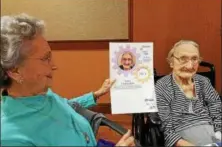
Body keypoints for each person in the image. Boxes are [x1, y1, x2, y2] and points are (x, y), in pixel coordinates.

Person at [0, 13, 135, 146]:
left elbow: (66, 106)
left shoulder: (42, 95)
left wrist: (96, 94)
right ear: (15, 71)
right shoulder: (10, 137)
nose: (53, 66)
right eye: (45, 58)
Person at [155, 40, 221, 146]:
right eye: (183, 59)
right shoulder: (162, 85)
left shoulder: (203, 82)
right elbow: (167, 128)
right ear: (171, 62)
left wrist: (219, 133)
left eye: (194, 59)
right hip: (185, 138)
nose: (190, 66)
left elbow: (216, 108)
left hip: (213, 135)